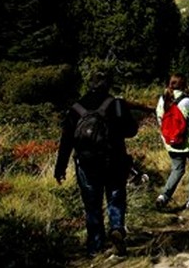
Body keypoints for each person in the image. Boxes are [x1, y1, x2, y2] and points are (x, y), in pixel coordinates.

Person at [54, 68, 139, 257]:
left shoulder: (76, 108)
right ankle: (116, 228)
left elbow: (66, 139)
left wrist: (60, 167)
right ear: (108, 84)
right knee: (116, 196)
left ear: (89, 84)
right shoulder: (116, 104)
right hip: (115, 159)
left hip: (87, 164)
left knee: (92, 205)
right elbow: (131, 131)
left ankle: (95, 247)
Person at [155, 74, 189, 209]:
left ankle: (164, 196)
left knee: (177, 169)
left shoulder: (162, 100)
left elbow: (160, 118)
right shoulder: (186, 101)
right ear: (184, 85)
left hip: (171, 143)